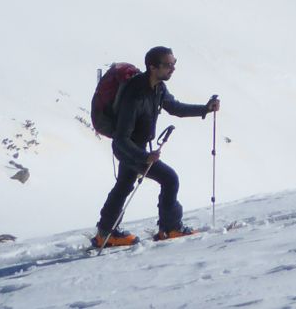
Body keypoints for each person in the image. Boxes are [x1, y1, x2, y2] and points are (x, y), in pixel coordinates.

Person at [93, 46, 219, 247]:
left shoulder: (158, 88)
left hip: (138, 148)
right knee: (169, 179)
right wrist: (144, 158)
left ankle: (105, 233)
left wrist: (205, 109)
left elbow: (175, 107)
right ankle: (170, 228)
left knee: (124, 185)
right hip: (129, 149)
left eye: (174, 63)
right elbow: (121, 138)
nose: (173, 69)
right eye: (168, 65)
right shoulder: (134, 95)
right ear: (153, 67)